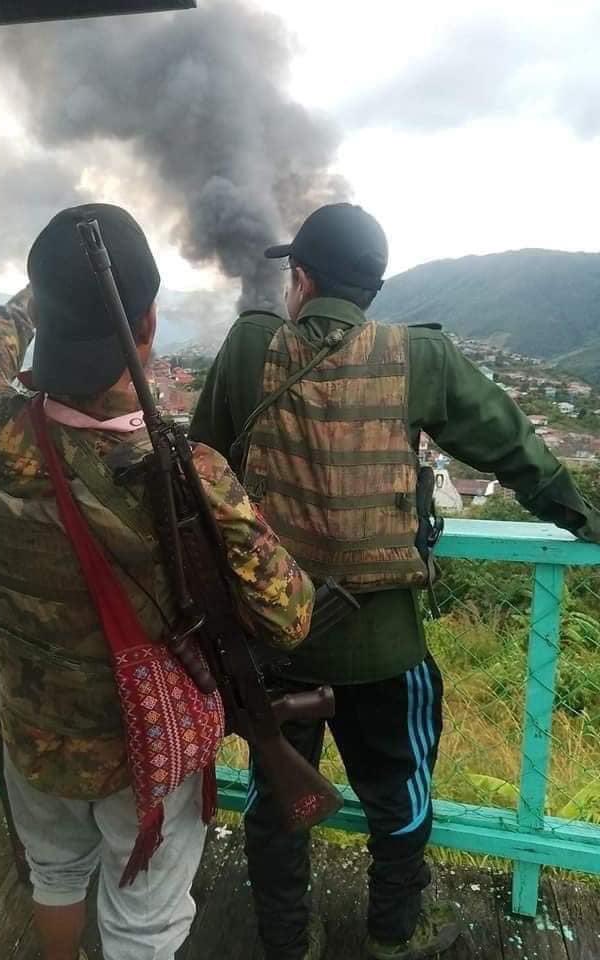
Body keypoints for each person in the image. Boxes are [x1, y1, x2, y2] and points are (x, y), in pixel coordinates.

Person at [190, 202, 600, 960]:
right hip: (384, 642)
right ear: (373, 288)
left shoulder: (251, 347)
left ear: (303, 279)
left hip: (275, 643)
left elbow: (202, 469)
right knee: (401, 793)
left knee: (279, 798)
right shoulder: (422, 358)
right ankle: (392, 934)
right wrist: (585, 520)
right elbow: (515, 447)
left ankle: (286, 939)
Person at [0, 203, 315, 960]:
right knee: (144, 919)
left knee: (53, 873)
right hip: (142, 749)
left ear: (46, 324)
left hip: (32, 726)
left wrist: (35, 296)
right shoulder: (190, 474)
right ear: (146, 323)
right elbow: (290, 617)